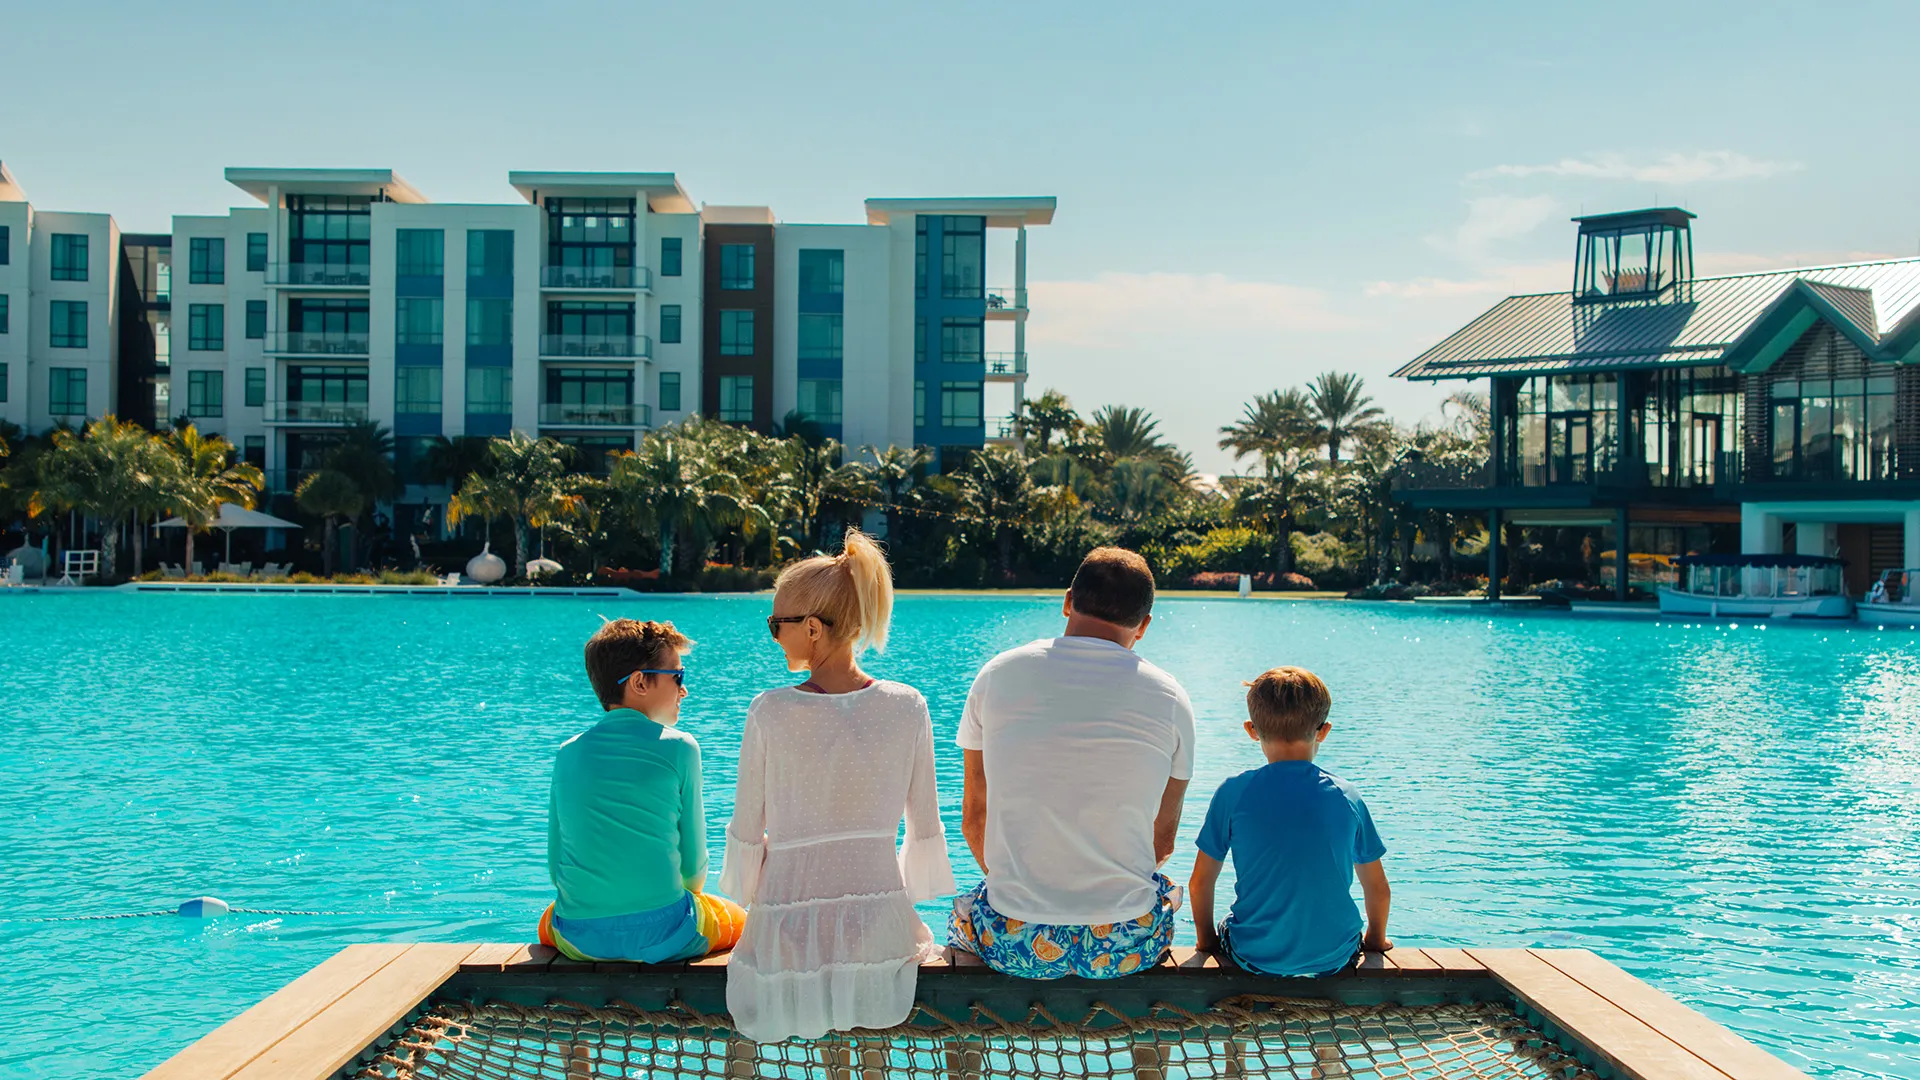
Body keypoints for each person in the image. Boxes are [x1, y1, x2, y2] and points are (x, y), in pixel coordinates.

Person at [720, 529, 955, 1043]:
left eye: (775, 624)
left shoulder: (770, 711)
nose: (773, 635)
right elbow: (925, 822)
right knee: (868, 1047)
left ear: (810, 628)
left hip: (788, 924)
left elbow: (745, 827)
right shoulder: (907, 704)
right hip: (878, 921)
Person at [948, 547, 1193, 978]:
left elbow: (974, 817)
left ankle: (965, 1044)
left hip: (1013, 940)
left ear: (1067, 600)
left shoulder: (998, 675)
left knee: (963, 916)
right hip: (1122, 946)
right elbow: (1164, 840)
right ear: (1144, 626)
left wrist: (1023, 885)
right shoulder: (1170, 696)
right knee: (1167, 894)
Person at [539, 619, 746, 964]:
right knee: (743, 920)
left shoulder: (567, 753)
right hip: (664, 934)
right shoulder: (681, 748)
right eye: (678, 677)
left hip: (580, 937)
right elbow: (694, 872)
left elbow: (554, 869)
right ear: (639, 682)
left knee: (549, 920)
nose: (684, 690)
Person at [1189, 667, 1390, 976]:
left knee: (1228, 925)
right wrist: (1375, 940)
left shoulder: (1233, 792)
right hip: (1335, 957)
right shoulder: (1346, 796)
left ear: (1251, 729)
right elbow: (1376, 886)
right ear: (1323, 731)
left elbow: (1201, 882)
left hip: (1252, 956)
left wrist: (1206, 942)